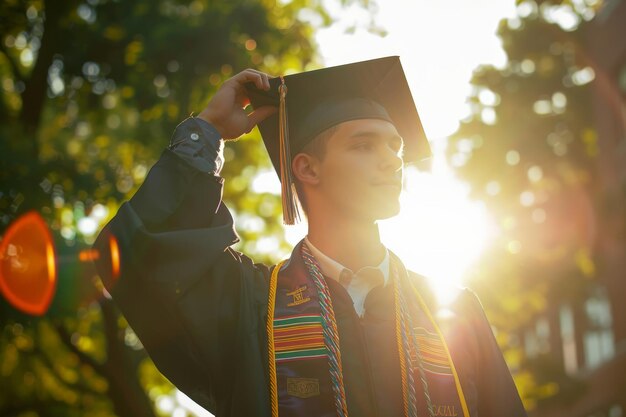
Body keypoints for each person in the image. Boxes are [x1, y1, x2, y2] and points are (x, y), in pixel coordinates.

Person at [94, 57, 527, 417]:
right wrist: (207, 130)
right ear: (307, 168)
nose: (391, 161)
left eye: (395, 147)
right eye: (364, 145)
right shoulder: (250, 307)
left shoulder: (453, 312)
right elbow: (138, 257)